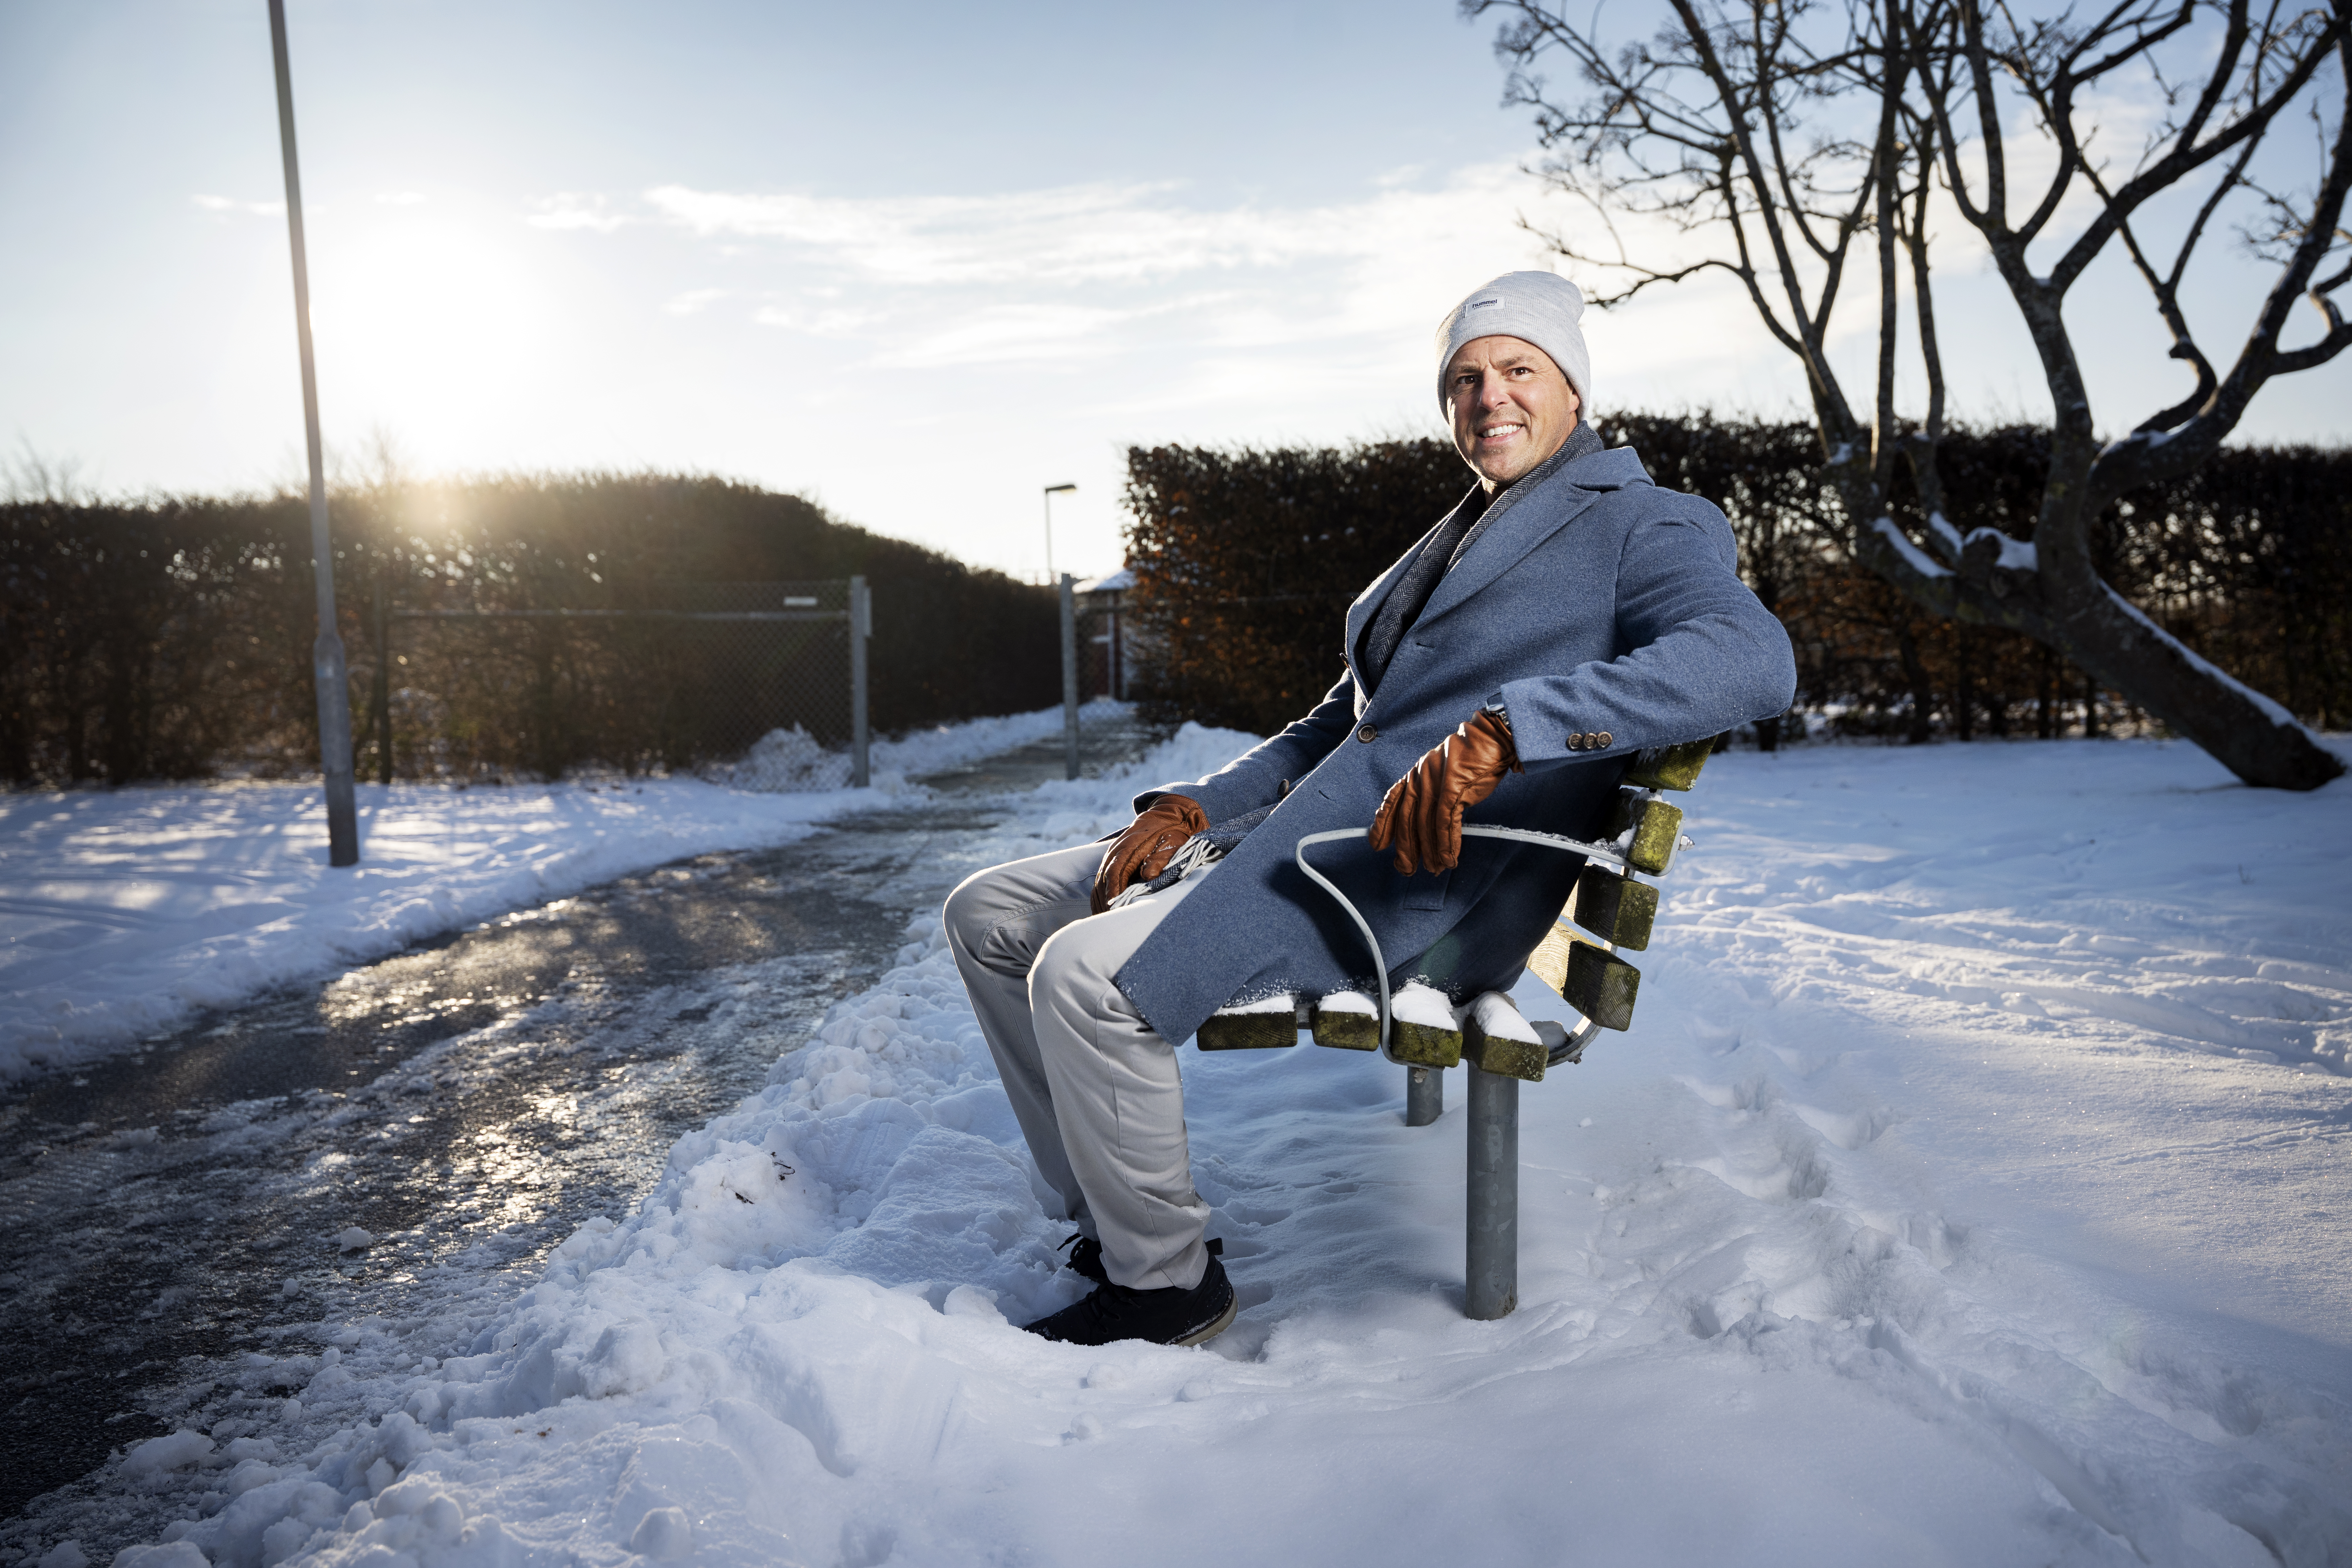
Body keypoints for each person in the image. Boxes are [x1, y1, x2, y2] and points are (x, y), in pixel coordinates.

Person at [945, 270, 1797, 1348]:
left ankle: (1163, 1285)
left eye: (1518, 370)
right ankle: (1112, 1218)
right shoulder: (1463, 530)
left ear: (1574, 390)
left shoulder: (1644, 523)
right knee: (991, 914)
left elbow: (1750, 660)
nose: (1490, 396)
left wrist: (1509, 727)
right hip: (1310, 839)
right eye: (1465, 379)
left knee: (1083, 976)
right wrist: (1202, 807)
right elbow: (1342, 727)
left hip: (1419, 885)